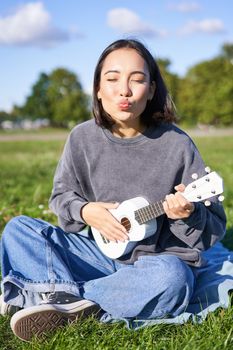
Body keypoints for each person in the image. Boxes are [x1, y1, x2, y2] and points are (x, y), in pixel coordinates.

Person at [0, 38, 229, 342]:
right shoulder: (81, 138)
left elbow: (215, 227)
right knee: (19, 229)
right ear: (97, 88)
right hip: (98, 253)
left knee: (173, 279)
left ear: (151, 91)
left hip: (156, 263)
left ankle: (54, 298)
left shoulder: (177, 144)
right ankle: (86, 301)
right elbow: (60, 197)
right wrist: (85, 210)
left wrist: (188, 214)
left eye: (138, 79)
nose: (124, 90)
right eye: (112, 79)